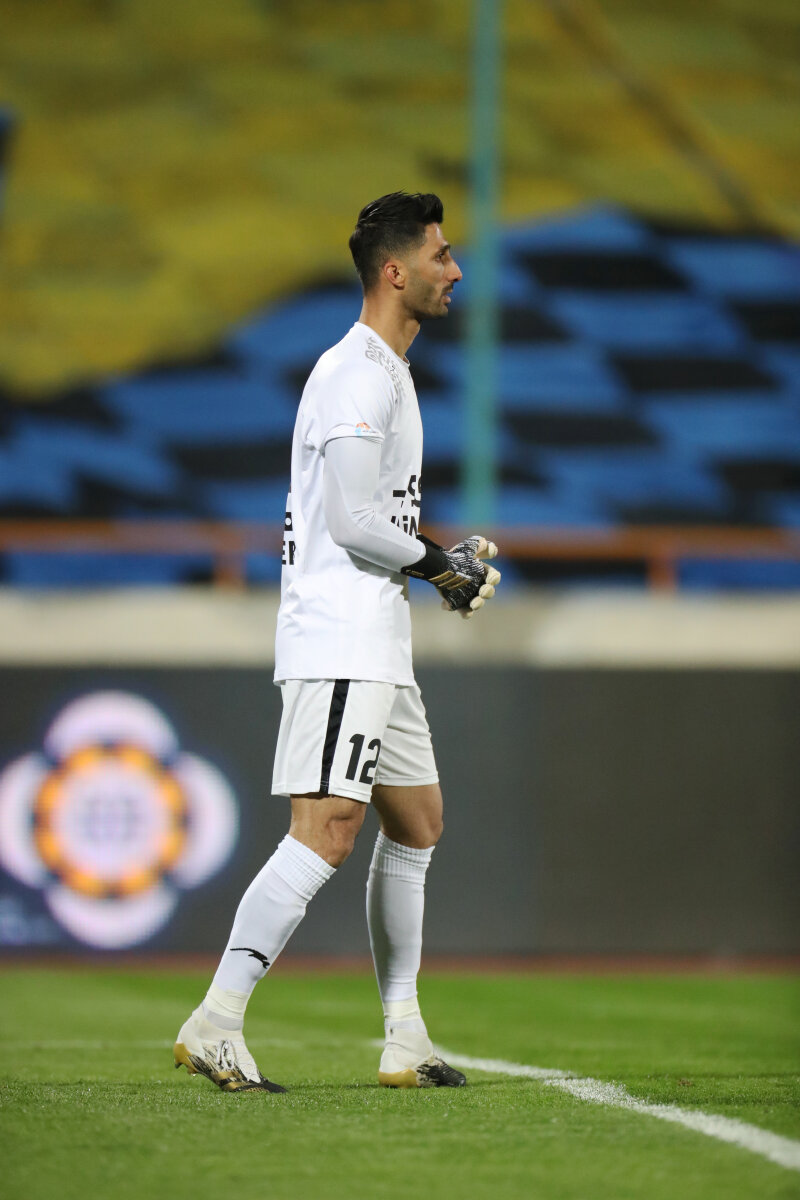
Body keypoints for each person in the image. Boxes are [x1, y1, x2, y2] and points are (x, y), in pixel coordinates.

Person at [173, 191, 501, 1093]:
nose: (455, 270)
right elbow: (353, 522)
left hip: (376, 639)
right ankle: (216, 1020)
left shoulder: (387, 370)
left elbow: (372, 515)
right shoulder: (356, 373)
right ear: (395, 271)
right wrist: (437, 565)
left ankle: (405, 1036)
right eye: (440, 255)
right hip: (341, 637)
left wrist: (443, 564)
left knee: (418, 822)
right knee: (325, 831)